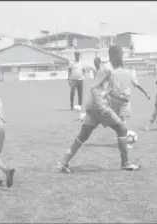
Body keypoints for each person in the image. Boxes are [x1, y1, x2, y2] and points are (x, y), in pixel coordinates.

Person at [56, 45, 141, 173]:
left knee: (83, 135)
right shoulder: (106, 69)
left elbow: (107, 90)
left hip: (92, 106)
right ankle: (125, 163)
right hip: (98, 106)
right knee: (122, 129)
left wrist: (120, 97)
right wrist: (102, 107)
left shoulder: (109, 69)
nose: (122, 57)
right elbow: (94, 88)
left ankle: (63, 162)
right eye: (121, 55)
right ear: (114, 56)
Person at [108, 48, 151, 149]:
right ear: (122, 64)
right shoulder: (128, 73)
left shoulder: (110, 74)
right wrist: (146, 93)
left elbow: (106, 89)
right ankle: (124, 143)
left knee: (118, 122)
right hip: (124, 101)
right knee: (123, 122)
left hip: (113, 100)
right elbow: (138, 85)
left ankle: (120, 140)